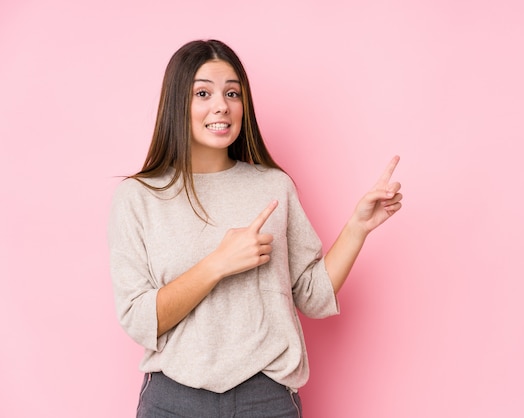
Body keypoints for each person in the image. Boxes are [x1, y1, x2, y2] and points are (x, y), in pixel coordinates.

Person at [108, 39, 402, 418]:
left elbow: (311, 295)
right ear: (176, 103)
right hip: (174, 400)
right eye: (203, 93)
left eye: (233, 93)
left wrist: (358, 227)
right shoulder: (138, 197)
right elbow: (139, 319)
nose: (222, 105)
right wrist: (218, 264)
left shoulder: (273, 186)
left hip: (265, 399)